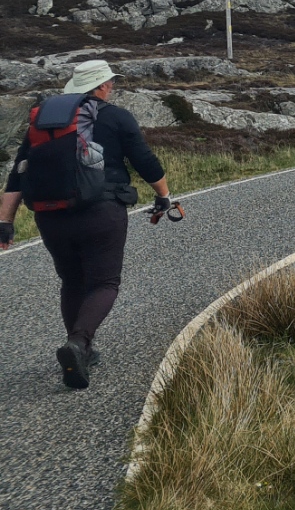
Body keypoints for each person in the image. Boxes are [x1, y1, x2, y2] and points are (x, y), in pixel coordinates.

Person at [0, 59, 184, 389]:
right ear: (100, 86)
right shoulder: (115, 116)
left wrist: (5, 221)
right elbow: (145, 161)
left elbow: (17, 175)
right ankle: (79, 343)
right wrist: (164, 196)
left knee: (72, 280)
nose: (111, 88)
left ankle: (82, 348)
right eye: (109, 83)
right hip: (101, 212)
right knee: (104, 283)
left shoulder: (43, 122)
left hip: (50, 216)